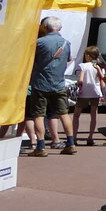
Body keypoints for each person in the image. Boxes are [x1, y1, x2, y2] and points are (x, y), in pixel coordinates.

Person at [28, 16, 77, 157]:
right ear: (59, 28)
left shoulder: (39, 43)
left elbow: (31, 60)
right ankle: (70, 143)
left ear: (45, 27)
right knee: (64, 114)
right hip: (59, 83)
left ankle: (41, 146)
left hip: (40, 84)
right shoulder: (66, 43)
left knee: (38, 115)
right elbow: (68, 59)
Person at [72, 45, 104, 146]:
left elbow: (81, 79)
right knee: (93, 115)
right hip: (95, 92)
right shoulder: (99, 67)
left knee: (76, 115)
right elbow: (102, 81)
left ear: (88, 55)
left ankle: (74, 137)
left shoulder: (83, 66)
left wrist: (77, 84)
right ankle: (90, 137)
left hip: (84, 93)